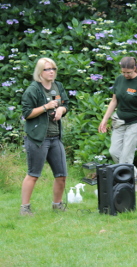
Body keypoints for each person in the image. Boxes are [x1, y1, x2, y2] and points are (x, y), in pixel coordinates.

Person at [20, 57, 69, 216]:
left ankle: (57, 205)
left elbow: (65, 104)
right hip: (37, 138)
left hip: (55, 137)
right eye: (47, 69)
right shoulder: (33, 90)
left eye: (53, 69)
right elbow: (27, 114)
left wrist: (61, 110)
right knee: (33, 174)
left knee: (61, 175)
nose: (51, 72)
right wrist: (45, 107)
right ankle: (25, 208)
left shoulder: (58, 86)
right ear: (40, 72)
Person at [98, 57, 137, 177]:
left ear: (135, 69)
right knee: (114, 152)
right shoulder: (119, 79)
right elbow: (114, 100)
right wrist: (104, 119)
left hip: (136, 122)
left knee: (125, 156)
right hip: (119, 121)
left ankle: (126, 185)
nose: (126, 75)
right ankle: (135, 174)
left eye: (129, 72)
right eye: (123, 72)